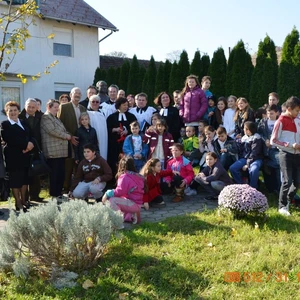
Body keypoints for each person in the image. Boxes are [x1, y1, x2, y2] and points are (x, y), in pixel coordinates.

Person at [1, 101, 34, 212]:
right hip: (13, 157)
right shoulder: (5, 124)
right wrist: (25, 145)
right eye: (10, 111)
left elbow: (31, 135)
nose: (13, 112)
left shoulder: (24, 122)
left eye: (15, 110)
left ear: (19, 111)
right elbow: (9, 139)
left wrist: (31, 145)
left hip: (26, 156)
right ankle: (18, 203)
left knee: (25, 180)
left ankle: (24, 200)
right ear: (7, 112)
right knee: (16, 181)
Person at [270, 96, 300, 216]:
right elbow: (273, 140)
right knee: (287, 181)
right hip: (285, 154)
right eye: (297, 110)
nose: (298, 113)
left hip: (298, 154)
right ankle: (282, 206)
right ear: (289, 108)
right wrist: (290, 145)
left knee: (297, 181)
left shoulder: (298, 120)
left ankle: (288, 199)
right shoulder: (280, 121)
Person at [41, 99, 73, 200]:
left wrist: (68, 135)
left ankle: (58, 193)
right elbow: (52, 131)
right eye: (55, 107)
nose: (57, 110)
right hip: (53, 152)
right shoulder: (46, 117)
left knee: (60, 173)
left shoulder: (55, 118)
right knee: (55, 174)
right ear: (48, 107)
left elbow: (63, 129)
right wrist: (67, 136)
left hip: (61, 151)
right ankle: (54, 194)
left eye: (57, 108)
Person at [57, 87, 86, 192]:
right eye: (75, 93)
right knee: (68, 166)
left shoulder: (83, 108)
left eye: (79, 93)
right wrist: (70, 137)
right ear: (71, 95)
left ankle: (76, 189)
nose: (77, 95)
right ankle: (66, 188)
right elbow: (59, 124)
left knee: (79, 166)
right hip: (68, 141)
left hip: (81, 141)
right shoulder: (64, 107)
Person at [102, 156, 144, 225]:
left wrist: (107, 193)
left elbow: (119, 191)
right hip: (137, 204)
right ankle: (132, 215)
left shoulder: (125, 176)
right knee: (120, 199)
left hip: (133, 204)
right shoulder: (137, 176)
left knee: (112, 200)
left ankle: (118, 221)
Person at [19, 98, 44, 202]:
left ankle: (35, 196)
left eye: (33, 107)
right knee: (24, 174)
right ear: (25, 106)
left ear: (36, 108)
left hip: (36, 148)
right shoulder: (19, 117)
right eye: (29, 106)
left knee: (36, 173)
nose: (31, 109)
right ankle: (24, 198)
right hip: (23, 149)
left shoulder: (41, 117)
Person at [106, 97, 137, 175]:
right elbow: (107, 129)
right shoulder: (111, 117)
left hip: (127, 143)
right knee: (114, 161)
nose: (126, 107)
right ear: (119, 105)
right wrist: (115, 129)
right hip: (114, 144)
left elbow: (136, 127)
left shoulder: (131, 116)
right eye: (124, 105)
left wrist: (128, 131)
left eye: (127, 105)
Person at [229, 121, 264, 189]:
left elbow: (254, 153)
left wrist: (247, 164)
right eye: (244, 128)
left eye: (246, 129)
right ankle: (242, 186)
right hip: (245, 158)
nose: (244, 130)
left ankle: (253, 188)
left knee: (254, 169)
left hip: (255, 159)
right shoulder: (244, 138)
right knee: (233, 168)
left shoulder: (256, 138)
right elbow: (241, 150)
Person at [258, 105, 280, 194]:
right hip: (267, 149)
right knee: (279, 163)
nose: (270, 115)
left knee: (279, 165)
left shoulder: (279, 122)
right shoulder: (263, 122)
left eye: (272, 113)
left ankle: (278, 189)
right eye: (268, 113)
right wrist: (266, 140)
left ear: (277, 113)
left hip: (277, 148)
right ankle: (277, 189)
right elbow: (259, 133)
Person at [87, 95, 108, 160]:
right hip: (91, 137)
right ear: (90, 102)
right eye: (93, 102)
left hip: (102, 138)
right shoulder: (87, 113)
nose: (95, 103)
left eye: (97, 102)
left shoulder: (103, 113)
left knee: (102, 152)